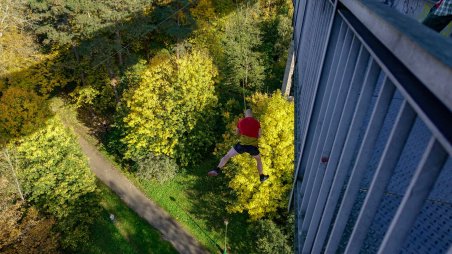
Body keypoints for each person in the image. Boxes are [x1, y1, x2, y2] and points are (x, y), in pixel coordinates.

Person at [208, 109, 269, 183]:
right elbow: (259, 135)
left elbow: (236, 134)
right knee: (258, 160)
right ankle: (262, 176)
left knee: (227, 156)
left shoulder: (241, 122)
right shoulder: (257, 122)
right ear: (251, 115)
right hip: (252, 147)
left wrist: (241, 132)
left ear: (245, 115)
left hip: (242, 145)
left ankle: (217, 169)